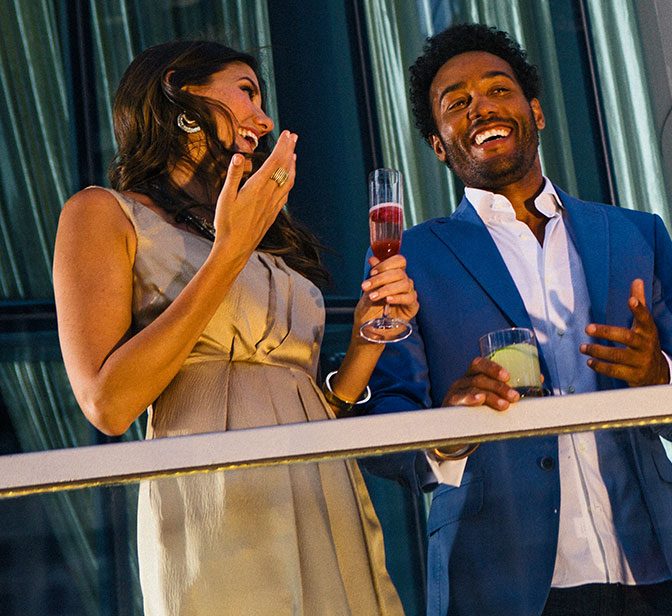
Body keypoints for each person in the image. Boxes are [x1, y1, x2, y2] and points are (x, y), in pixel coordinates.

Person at [52, 40, 412, 616]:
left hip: (320, 486)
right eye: (246, 91)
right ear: (179, 90)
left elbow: (315, 403)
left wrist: (367, 340)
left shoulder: (262, 234)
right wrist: (227, 254)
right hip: (213, 498)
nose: (264, 119)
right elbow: (108, 402)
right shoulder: (104, 213)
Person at [365, 23, 672, 616]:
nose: (481, 108)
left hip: (656, 573)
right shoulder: (408, 259)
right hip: (502, 582)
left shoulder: (636, 234)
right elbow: (381, 435)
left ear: (536, 112)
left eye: (498, 90)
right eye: (457, 103)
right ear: (437, 142)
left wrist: (657, 375)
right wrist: (448, 429)